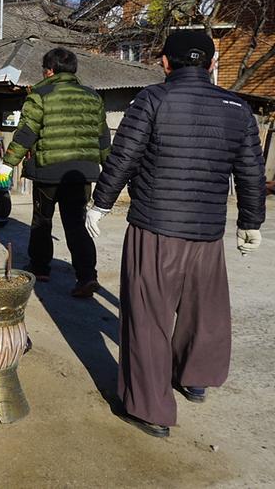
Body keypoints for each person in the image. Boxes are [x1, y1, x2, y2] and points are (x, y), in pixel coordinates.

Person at [85, 30, 265, 438]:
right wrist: (250, 222)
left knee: (148, 318)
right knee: (203, 311)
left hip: (155, 227)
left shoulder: (153, 99)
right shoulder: (237, 108)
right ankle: (194, 378)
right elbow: (251, 172)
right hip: (207, 233)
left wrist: (100, 203)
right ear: (212, 64)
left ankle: (150, 408)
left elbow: (124, 156)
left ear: (165, 62)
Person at [0, 47, 111, 298]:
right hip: (81, 174)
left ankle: (40, 268)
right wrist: (111, 171)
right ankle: (87, 276)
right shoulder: (93, 97)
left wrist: (8, 163)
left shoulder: (40, 95)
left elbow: (27, 133)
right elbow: (103, 137)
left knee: (42, 221)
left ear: (49, 71)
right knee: (76, 224)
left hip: (48, 172)